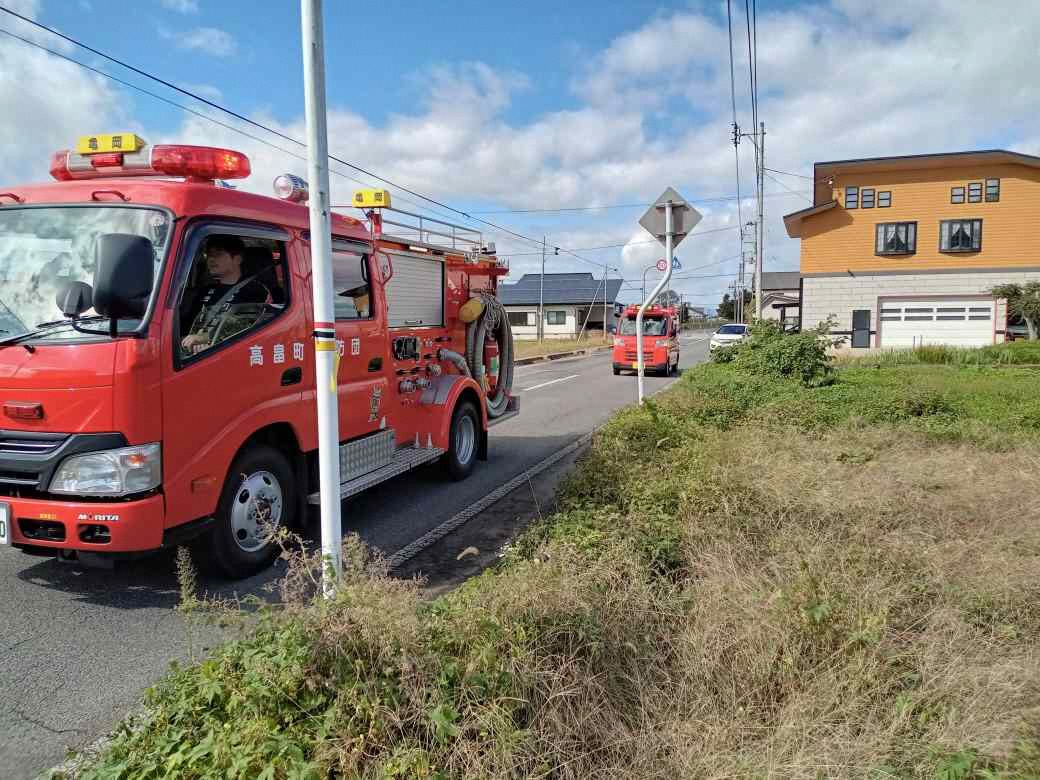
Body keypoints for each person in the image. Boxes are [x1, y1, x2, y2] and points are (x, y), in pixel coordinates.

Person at [181, 236, 271, 355]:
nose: (211, 259)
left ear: (237, 259)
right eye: (208, 255)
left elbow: (245, 326)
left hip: (230, 354)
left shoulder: (255, 290)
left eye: (217, 254)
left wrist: (207, 337)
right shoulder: (205, 291)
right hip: (193, 356)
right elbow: (188, 324)